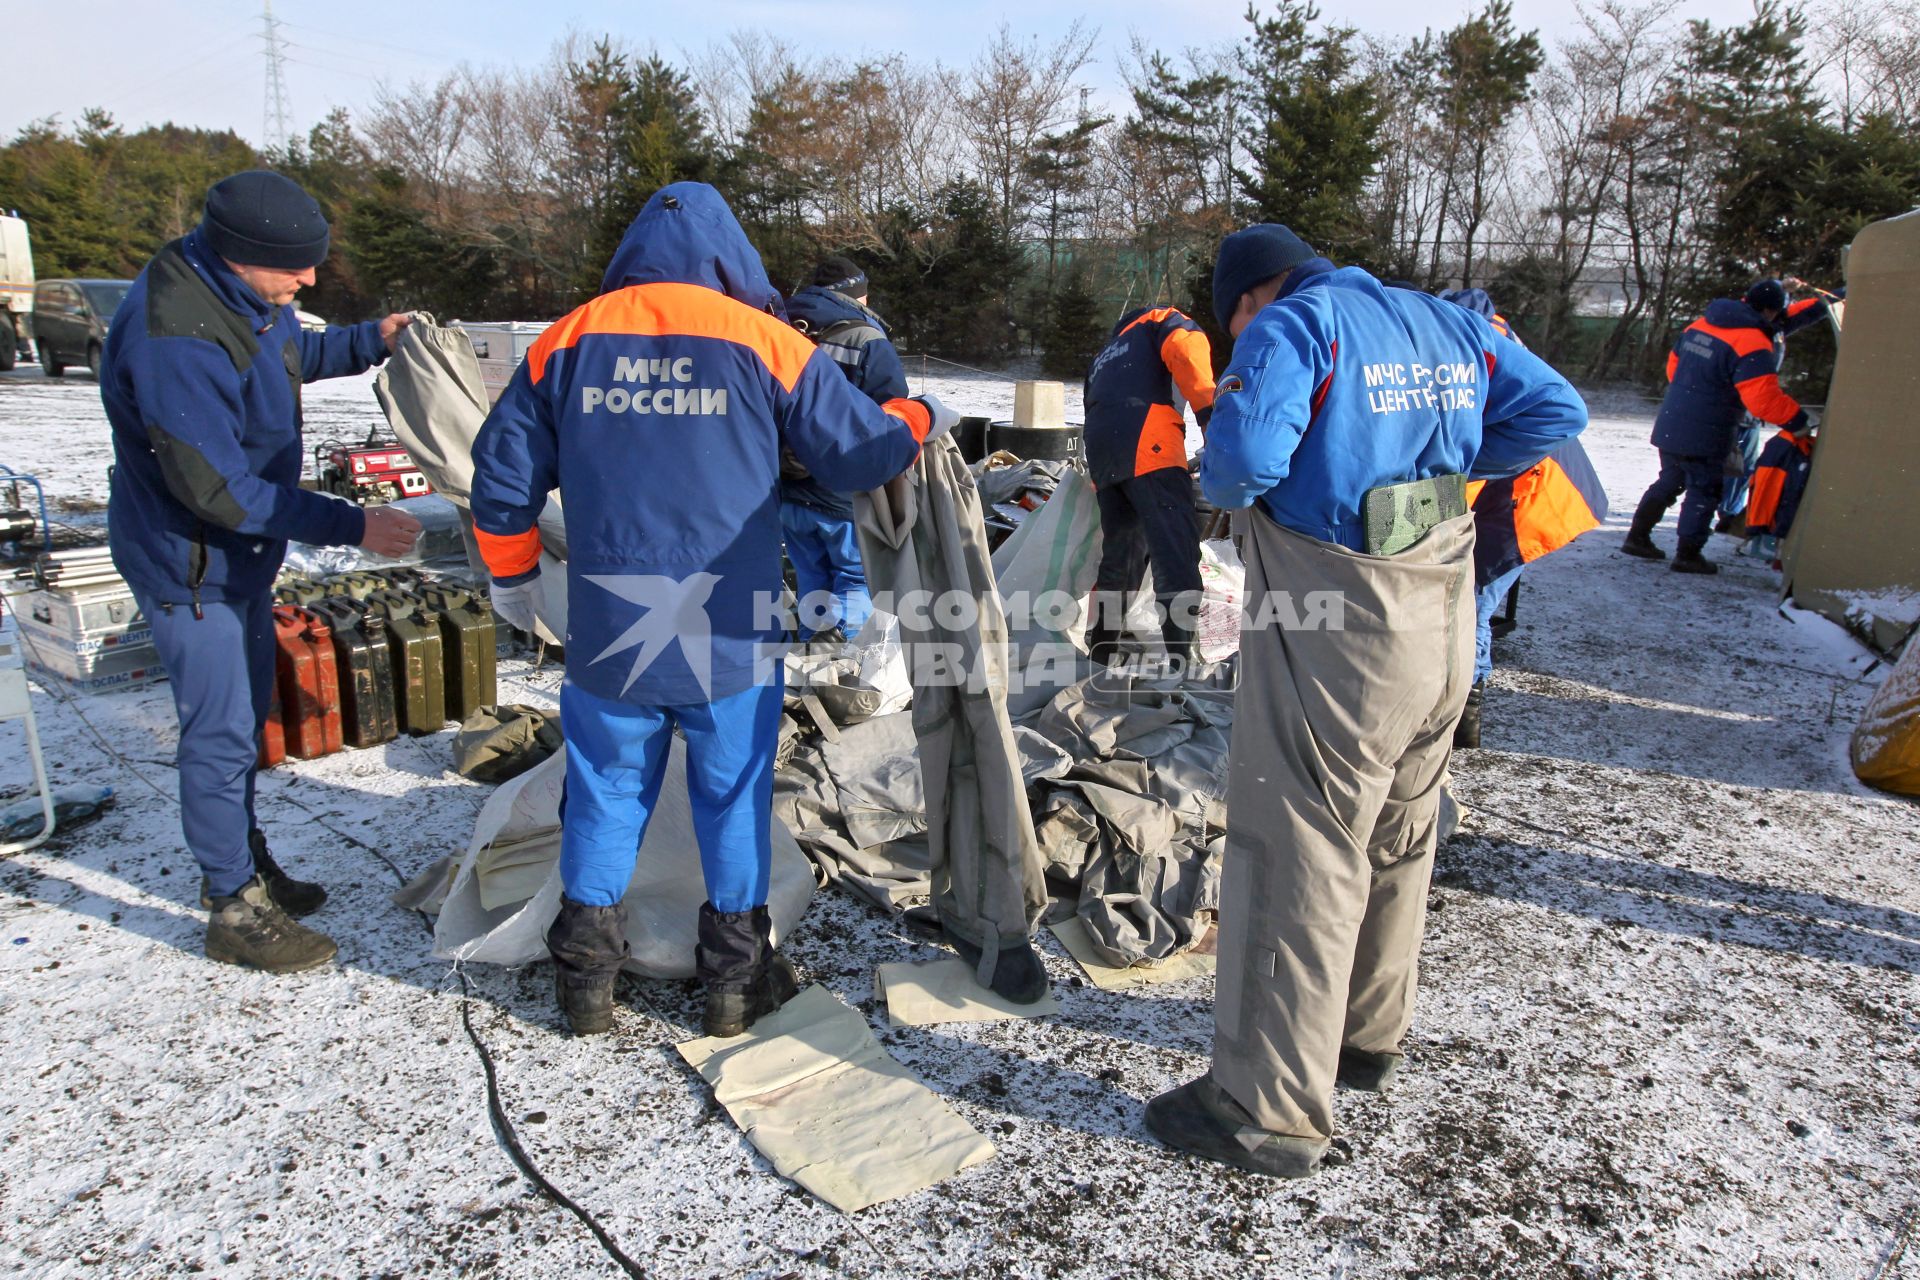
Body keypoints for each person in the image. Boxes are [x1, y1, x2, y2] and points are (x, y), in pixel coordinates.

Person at [1144, 224, 1587, 1179]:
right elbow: (1556, 410)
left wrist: (1296, 460)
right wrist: (1444, 462)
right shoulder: (1446, 322)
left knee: (1299, 846)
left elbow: (1233, 471)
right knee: (1400, 827)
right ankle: (1363, 1037)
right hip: (1442, 610)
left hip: (1342, 624)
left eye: (1233, 322)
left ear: (1250, 299)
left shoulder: (1295, 328)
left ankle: (1264, 1108)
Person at [469, 184, 953, 1039]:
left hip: (611, 630)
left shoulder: (568, 339)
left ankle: (585, 981)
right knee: (733, 797)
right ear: (731, 257)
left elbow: (502, 485)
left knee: (606, 792)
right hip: (731, 628)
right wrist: (920, 415)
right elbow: (859, 456)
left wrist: (512, 583)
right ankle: (734, 984)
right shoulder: (765, 339)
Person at [100, 170, 421, 973]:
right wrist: (353, 523)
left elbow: (289, 357)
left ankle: (244, 863)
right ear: (239, 255)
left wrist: (368, 340)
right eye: (295, 267)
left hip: (237, 562)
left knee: (240, 726)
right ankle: (231, 905)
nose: (308, 281)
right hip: (193, 566)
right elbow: (217, 492)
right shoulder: (174, 338)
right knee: (217, 734)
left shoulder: (249, 297)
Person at [1624, 279, 1813, 574]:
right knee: (1705, 490)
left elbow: (1673, 366)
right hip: (1709, 427)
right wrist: (1798, 420)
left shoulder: (1701, 325)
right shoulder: (1753, 341)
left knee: (1669, 481)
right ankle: (1688, 554)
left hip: (1673, 417)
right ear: (1769, 312)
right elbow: (1762, 398)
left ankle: (1637, 537)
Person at [778, 255, 909, 642]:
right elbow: (891, 412)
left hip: (787, 490)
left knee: (812, 579)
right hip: (841, 493)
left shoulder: (778, 329)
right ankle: (848, 670)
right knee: (855, 578)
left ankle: (812, 665)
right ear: (858, 295)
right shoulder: (866, 339)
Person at [1080, 305, 1216, 668]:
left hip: (1103, 450)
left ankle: (1102, 651)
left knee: (1121, 553)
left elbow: (1090, 403)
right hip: (1148, 439)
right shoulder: (1160, 320)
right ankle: (1182, 662)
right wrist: (1210, 418)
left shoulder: (1106, 353)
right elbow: (1187, 349)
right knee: (1175, 548)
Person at [1455, 440, 1607, 747]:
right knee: (1469, 604)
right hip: (1514, 492)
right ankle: (1460, 712)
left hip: (1521, 499)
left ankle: (1463, 714)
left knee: (1469, 606)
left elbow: (1457, 478)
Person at [1715, 279, 1831, 534]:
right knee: (1730, 467)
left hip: (1750, 412)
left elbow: (1814, 308)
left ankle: (1727, 514)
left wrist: (1837, 294)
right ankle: (1723, 514)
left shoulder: (1773, 323)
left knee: (1741, 467)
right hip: (1734, 409)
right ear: (1768, 309)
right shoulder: (1746, 328)